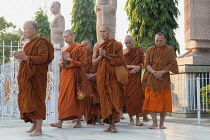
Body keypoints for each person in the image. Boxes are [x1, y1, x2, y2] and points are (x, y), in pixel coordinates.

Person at [13, 20, 54, 136]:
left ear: (33, 30)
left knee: (37, 99)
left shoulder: (41, 42)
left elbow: (43, 58)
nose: (24, 31)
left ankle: (39, 128)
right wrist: (20, 57)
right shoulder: (28, 44)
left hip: (37, 75)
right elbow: (26, 59)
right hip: (28, 76)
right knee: (29, 99)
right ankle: (34, 124)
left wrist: (25, 57)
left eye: (25, 28)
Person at [50, 30, 90, 128]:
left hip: (75, 76)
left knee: (76, 98)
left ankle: (78, 122)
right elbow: (59, 64)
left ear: (72, 36)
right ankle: (60, 121)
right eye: (64, 37)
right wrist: (62, 62)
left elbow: (82, 63)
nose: (65, 39)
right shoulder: (64, 49)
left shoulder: (80, 48)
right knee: (63, 98)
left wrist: (69, 59)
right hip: (65, 76)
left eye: (67, 37)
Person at [142, 32, 179, 129]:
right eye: (157, 40)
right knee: (151, 101)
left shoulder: (169, 50)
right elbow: (147, 64)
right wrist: (155, 73)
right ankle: (154, 122)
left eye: (160, 41)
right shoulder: (150, 50)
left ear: (165, 40)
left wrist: (161, 72)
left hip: (164, 79)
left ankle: (162, 124)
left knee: (164, 102)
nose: (158, 42)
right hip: (152, 78)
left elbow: (172, 63)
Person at [92, 24, 125, 132]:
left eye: (104, 32)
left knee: (113, 99)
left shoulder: (117, 45)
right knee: (105, 101)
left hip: (113, 77)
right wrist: (101, 55)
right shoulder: (97, 46)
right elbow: (94, 63)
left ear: (109, 32)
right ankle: (109, 125)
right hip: (101, 76)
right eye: (100, 32)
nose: (102, 34)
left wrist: (106, 55)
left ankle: (114, 125)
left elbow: (121, 60)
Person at [123, 35, 145, 126]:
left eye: (129, 42)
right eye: (126, 43)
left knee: (137, 98)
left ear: (133, 42)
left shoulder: (138, 51)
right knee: (128, 98)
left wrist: (138, 67)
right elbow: (121, 65)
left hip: (136, 77)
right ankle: (131, 120)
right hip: (127, 77)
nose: (128, 44)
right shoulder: (123, 52)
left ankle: (137, 120)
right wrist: (133, 66)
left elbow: (143, 62)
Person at [82, 39, 103, 125]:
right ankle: (90, 119)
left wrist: (95, 75)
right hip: (85, 80)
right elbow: (79, 67)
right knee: (87, 100)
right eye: (82, 45)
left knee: (97, 99)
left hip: (95, 79)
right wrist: (85, 75)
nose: (84, 47)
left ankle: (98, 118)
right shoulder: (80, 55)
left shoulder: (95, 54)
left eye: (86, 44)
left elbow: (100, 66)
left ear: (90, 45)